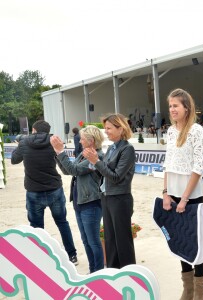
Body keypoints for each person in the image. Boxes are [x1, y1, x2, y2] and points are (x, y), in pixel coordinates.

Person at [11, 120, 78, 264]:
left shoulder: (24, 142)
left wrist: (19, 147)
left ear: (33, 130)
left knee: (36, 227)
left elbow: (14, 160)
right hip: (54, 188)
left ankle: (37, 258)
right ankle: (72, 255)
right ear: (48, 131)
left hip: (34, 191)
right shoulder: (53, 142)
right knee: (62, 222)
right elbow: (63, 164)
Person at [162, 88, 203, 300]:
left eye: (176, 106)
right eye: (170, 106)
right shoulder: (170, 132)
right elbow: (167, 164)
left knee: (194, 242)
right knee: (180, 240)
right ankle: (187, 289)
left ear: (186, 108)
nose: (172, 109)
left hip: (192, 196)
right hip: (172, 195)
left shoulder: (196, 130)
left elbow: (199, 166)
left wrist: (185, 198)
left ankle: (200, 290)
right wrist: (166, 193)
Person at [83, 114, 136, 269]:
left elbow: (116, 177)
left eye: (109, 128)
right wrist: (94, 164)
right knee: (110, 239)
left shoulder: (127, 149)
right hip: (107, 197)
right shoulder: (111, 148)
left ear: (121, 128)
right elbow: (104, 174)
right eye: (105, 128)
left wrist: (96, 162)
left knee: (122, 241)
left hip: (120, 199)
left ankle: (129, 274)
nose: (106, 131)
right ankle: (113, 273)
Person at [50, 125, 105, 273]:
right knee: (86, 240)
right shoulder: (83, 154)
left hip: (91, 203)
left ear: (91, 140)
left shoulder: (96, 156)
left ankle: (98, 272)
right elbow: (68, 170)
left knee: (93, 241)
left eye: (82, 138)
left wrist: (61, 151)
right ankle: (93, 270)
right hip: (80, 202)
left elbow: (74, 170)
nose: (79, 141)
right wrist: (58, 153)